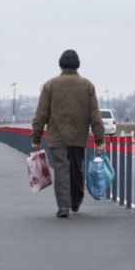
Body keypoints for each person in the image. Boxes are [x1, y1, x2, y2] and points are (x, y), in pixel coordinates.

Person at [31, 49, 105, 218]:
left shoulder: (50, 85)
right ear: (77, 64)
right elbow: (95, 114)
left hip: (57, 137)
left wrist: (35, 137)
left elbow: (41, 114)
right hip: (79, 137)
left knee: (62, 170)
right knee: (77, 169)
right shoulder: (87, 85)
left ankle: (63, 206)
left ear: (61, 64)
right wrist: (99, 138)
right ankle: (76, 202)